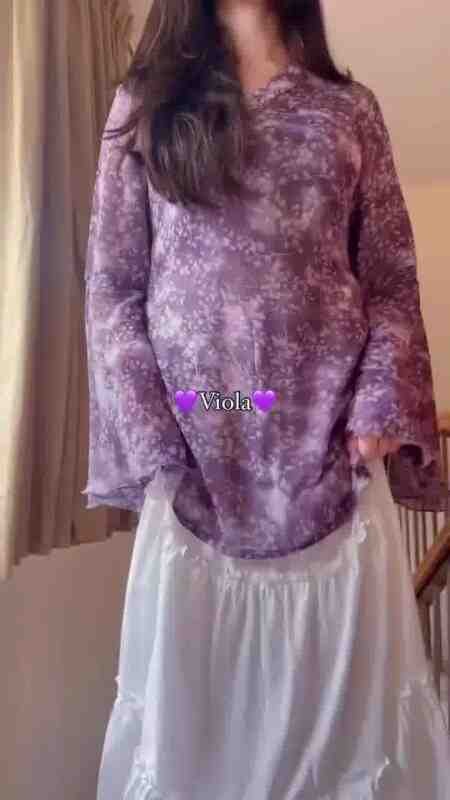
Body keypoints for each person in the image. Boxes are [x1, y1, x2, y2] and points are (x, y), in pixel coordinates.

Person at [82, 1, 450, 798]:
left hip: (333, 473)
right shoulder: (146, 106)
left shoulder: (348, 110)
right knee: (194, 740)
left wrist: (379, 406)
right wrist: (153, 435)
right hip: (194, 473)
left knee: (346, 742)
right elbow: (112, 287)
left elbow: (391, 280)